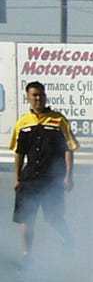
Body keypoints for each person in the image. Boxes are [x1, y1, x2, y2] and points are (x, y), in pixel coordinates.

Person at [9, 80, 79, 263]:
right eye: (34, 95)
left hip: (52, 179)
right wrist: (16, 178)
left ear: (45, 96)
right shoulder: (23, 123)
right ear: (28, 98)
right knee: (27, 219)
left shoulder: (58, 120)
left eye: (41, 94)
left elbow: (68, 149)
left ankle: (67, 239)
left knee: (54, 218)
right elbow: (19, 153)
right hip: (29, 179)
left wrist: (68, 176)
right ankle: (27, 256)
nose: (38, 98)